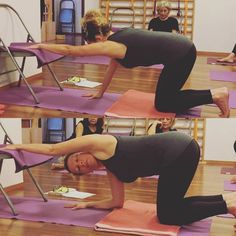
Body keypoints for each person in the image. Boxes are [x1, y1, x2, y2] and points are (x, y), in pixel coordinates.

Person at [2, 132, 236, 226]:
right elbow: (117, 203)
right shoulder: (111, 169)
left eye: (77, 160)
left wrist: (19, 145)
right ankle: (226, 200)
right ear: (88, 174)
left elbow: (54, 150)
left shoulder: (100, 143)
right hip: (178, 154)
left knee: (167, 215)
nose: (81, 165)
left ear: (82, 151)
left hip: (178, 151)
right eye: (79, 170)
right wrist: (88, 203)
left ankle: (227, 203)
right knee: (170, 209)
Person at [30, 9, 229, 117]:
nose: (90, 46)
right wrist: (101, 91)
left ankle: (216, 95)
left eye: (90, 41)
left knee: (163, 103)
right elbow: (113, 65)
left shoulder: (109, 44)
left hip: (181, 54)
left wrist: (41, 45)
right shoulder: (117, 37)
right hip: (180, 51)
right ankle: (213, 95)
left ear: (98, 37)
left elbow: (70, 50)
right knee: (166, 98)